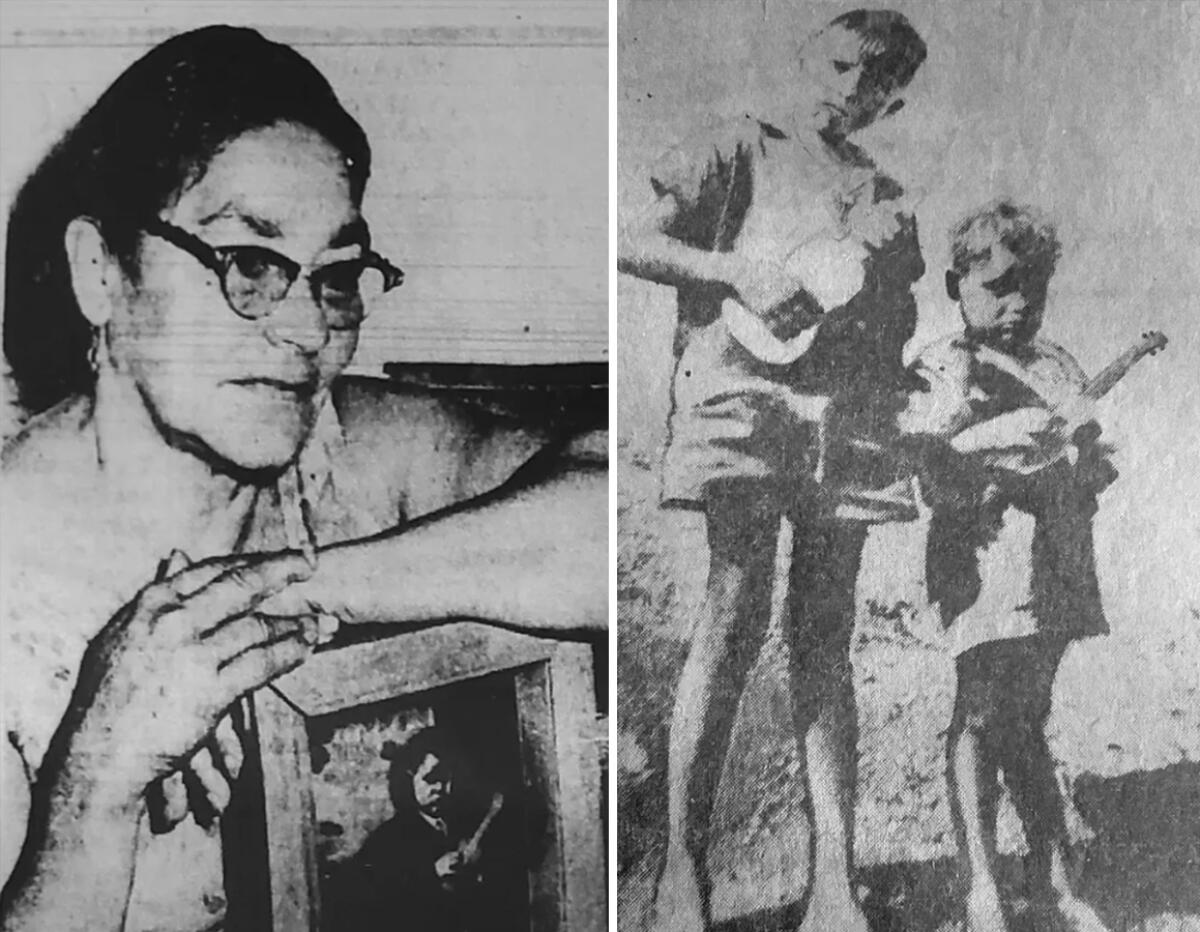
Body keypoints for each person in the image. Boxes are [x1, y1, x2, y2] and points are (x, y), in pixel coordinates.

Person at [0, 26, 605, 932]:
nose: (307, 329)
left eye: (336, 276)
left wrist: (279, 598)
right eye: (249, 265)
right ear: (99, 273)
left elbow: (624, 518)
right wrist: (95, 786)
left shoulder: (353, 447)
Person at [618, 10, 927, 932]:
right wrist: (736, 273)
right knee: (735, 608)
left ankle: (835, 880)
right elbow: (631, 242)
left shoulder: (886, 192)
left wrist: (894, 327)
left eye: (872, 85)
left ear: (892, 100)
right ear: (805, 59)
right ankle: (683, 869)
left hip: (846, 419)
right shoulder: (738, 145)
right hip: (744, 399)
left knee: (825, 634)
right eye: (836, 66)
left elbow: (892, 320)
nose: (848, 91)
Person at [899, 200, 1114, 932]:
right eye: (998, 287)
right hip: (984, 559)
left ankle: (1050, 877)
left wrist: (1087, 456)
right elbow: (928, 464)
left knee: (1030, 713)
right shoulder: (945, 365)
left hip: (1052, 558)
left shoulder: (1058, 366)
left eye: (1034, 287)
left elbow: (1091, 466)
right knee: (983, 711)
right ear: (957, 286)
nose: (1018, 303)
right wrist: (980, 439)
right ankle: (981, 886)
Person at [323, 728, 523, 932]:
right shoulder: (389, 838)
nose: (439, 787)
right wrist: (432, 873)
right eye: (429, 779)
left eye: (445, 779)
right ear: (408, 779)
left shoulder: (458, 828)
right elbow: (375, 900)